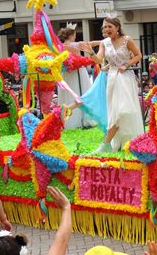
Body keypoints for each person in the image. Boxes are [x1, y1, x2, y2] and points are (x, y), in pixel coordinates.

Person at [81, 17, 144, 153]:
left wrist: (126, 64)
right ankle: (113, 143)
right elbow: (98, 59)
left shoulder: (127, 39)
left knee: (123, 110)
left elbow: (139, 55)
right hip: (112, 78)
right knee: (116, 110)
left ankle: (110, 143)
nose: (106, 29)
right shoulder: (105, 43)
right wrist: (91, 52)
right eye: (104, 27)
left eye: (109, 26)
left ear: (117, 27)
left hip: (125, 78)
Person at [57, 24, 96, 129]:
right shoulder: (74, 45)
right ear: (70, 36)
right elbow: (89, 44)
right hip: (78, 71)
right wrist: (103, 42)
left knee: (67, 93)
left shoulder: (60, 46)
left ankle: (67, 120)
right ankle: (81, 120)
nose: (75, 37)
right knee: (81, 92)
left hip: (66, 73)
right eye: (74, 35)